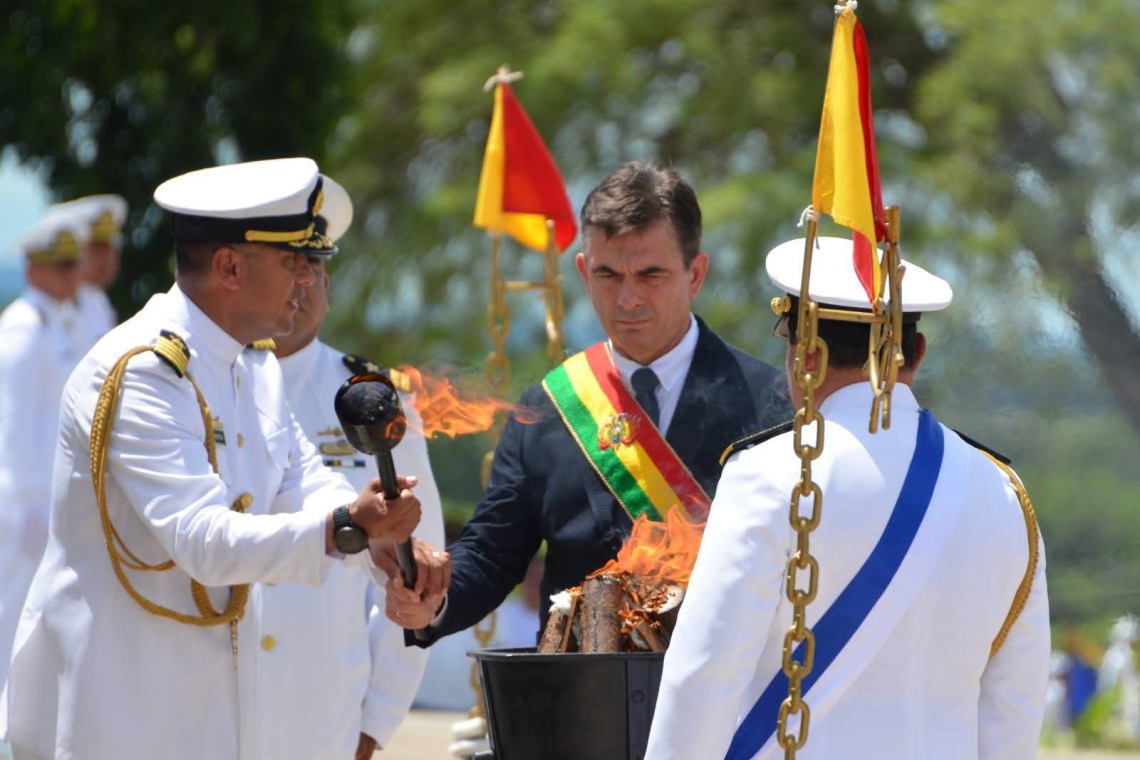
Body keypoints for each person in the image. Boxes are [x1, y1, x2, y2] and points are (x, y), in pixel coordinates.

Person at [0, 158, 428, 760]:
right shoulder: (141, 373)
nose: (307, 280)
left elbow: (304, 481)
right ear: (229, 266)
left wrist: (381, 546)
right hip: (118, 714)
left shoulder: (251, 366)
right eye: (292, 261)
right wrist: (349, 528)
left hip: (213, 712)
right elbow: (202, 539)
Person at [645, 236, 1050, 760]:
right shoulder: (1005, 495)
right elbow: (1013, 714)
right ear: (917, 353)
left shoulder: (764, 475)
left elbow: (702, 681)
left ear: (804, 355)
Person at [390, 162, 790, 643]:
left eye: (650, 274)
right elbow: (494, 552)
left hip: (723, 700)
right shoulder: (547, 409)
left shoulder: (773, 406)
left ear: (696, 273)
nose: (627, 298)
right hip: (582, 701)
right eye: (608, 274)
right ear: (583, 272)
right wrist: (431, 597)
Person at [259, 174, 446, 759]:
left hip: (323, 710)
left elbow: (417, 560)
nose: (302, 285)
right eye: (288, 266)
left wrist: (378, 721)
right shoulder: (200, 389)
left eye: (313, 267)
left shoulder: (372, 397)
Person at [0, 213, 91, 698]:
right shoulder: (23, 326)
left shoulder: (62, 321)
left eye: (73, 265)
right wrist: (28, 501)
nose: (72, 275)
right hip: (23, 499)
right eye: (60, 267)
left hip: (49, 495)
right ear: (33, 270)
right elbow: (11, 422)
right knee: (12, 609)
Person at [46, 194, 128, 349]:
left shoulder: (98, 303)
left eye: (109, 247)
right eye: (96, 248)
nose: (106, 259)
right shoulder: (55, 310)